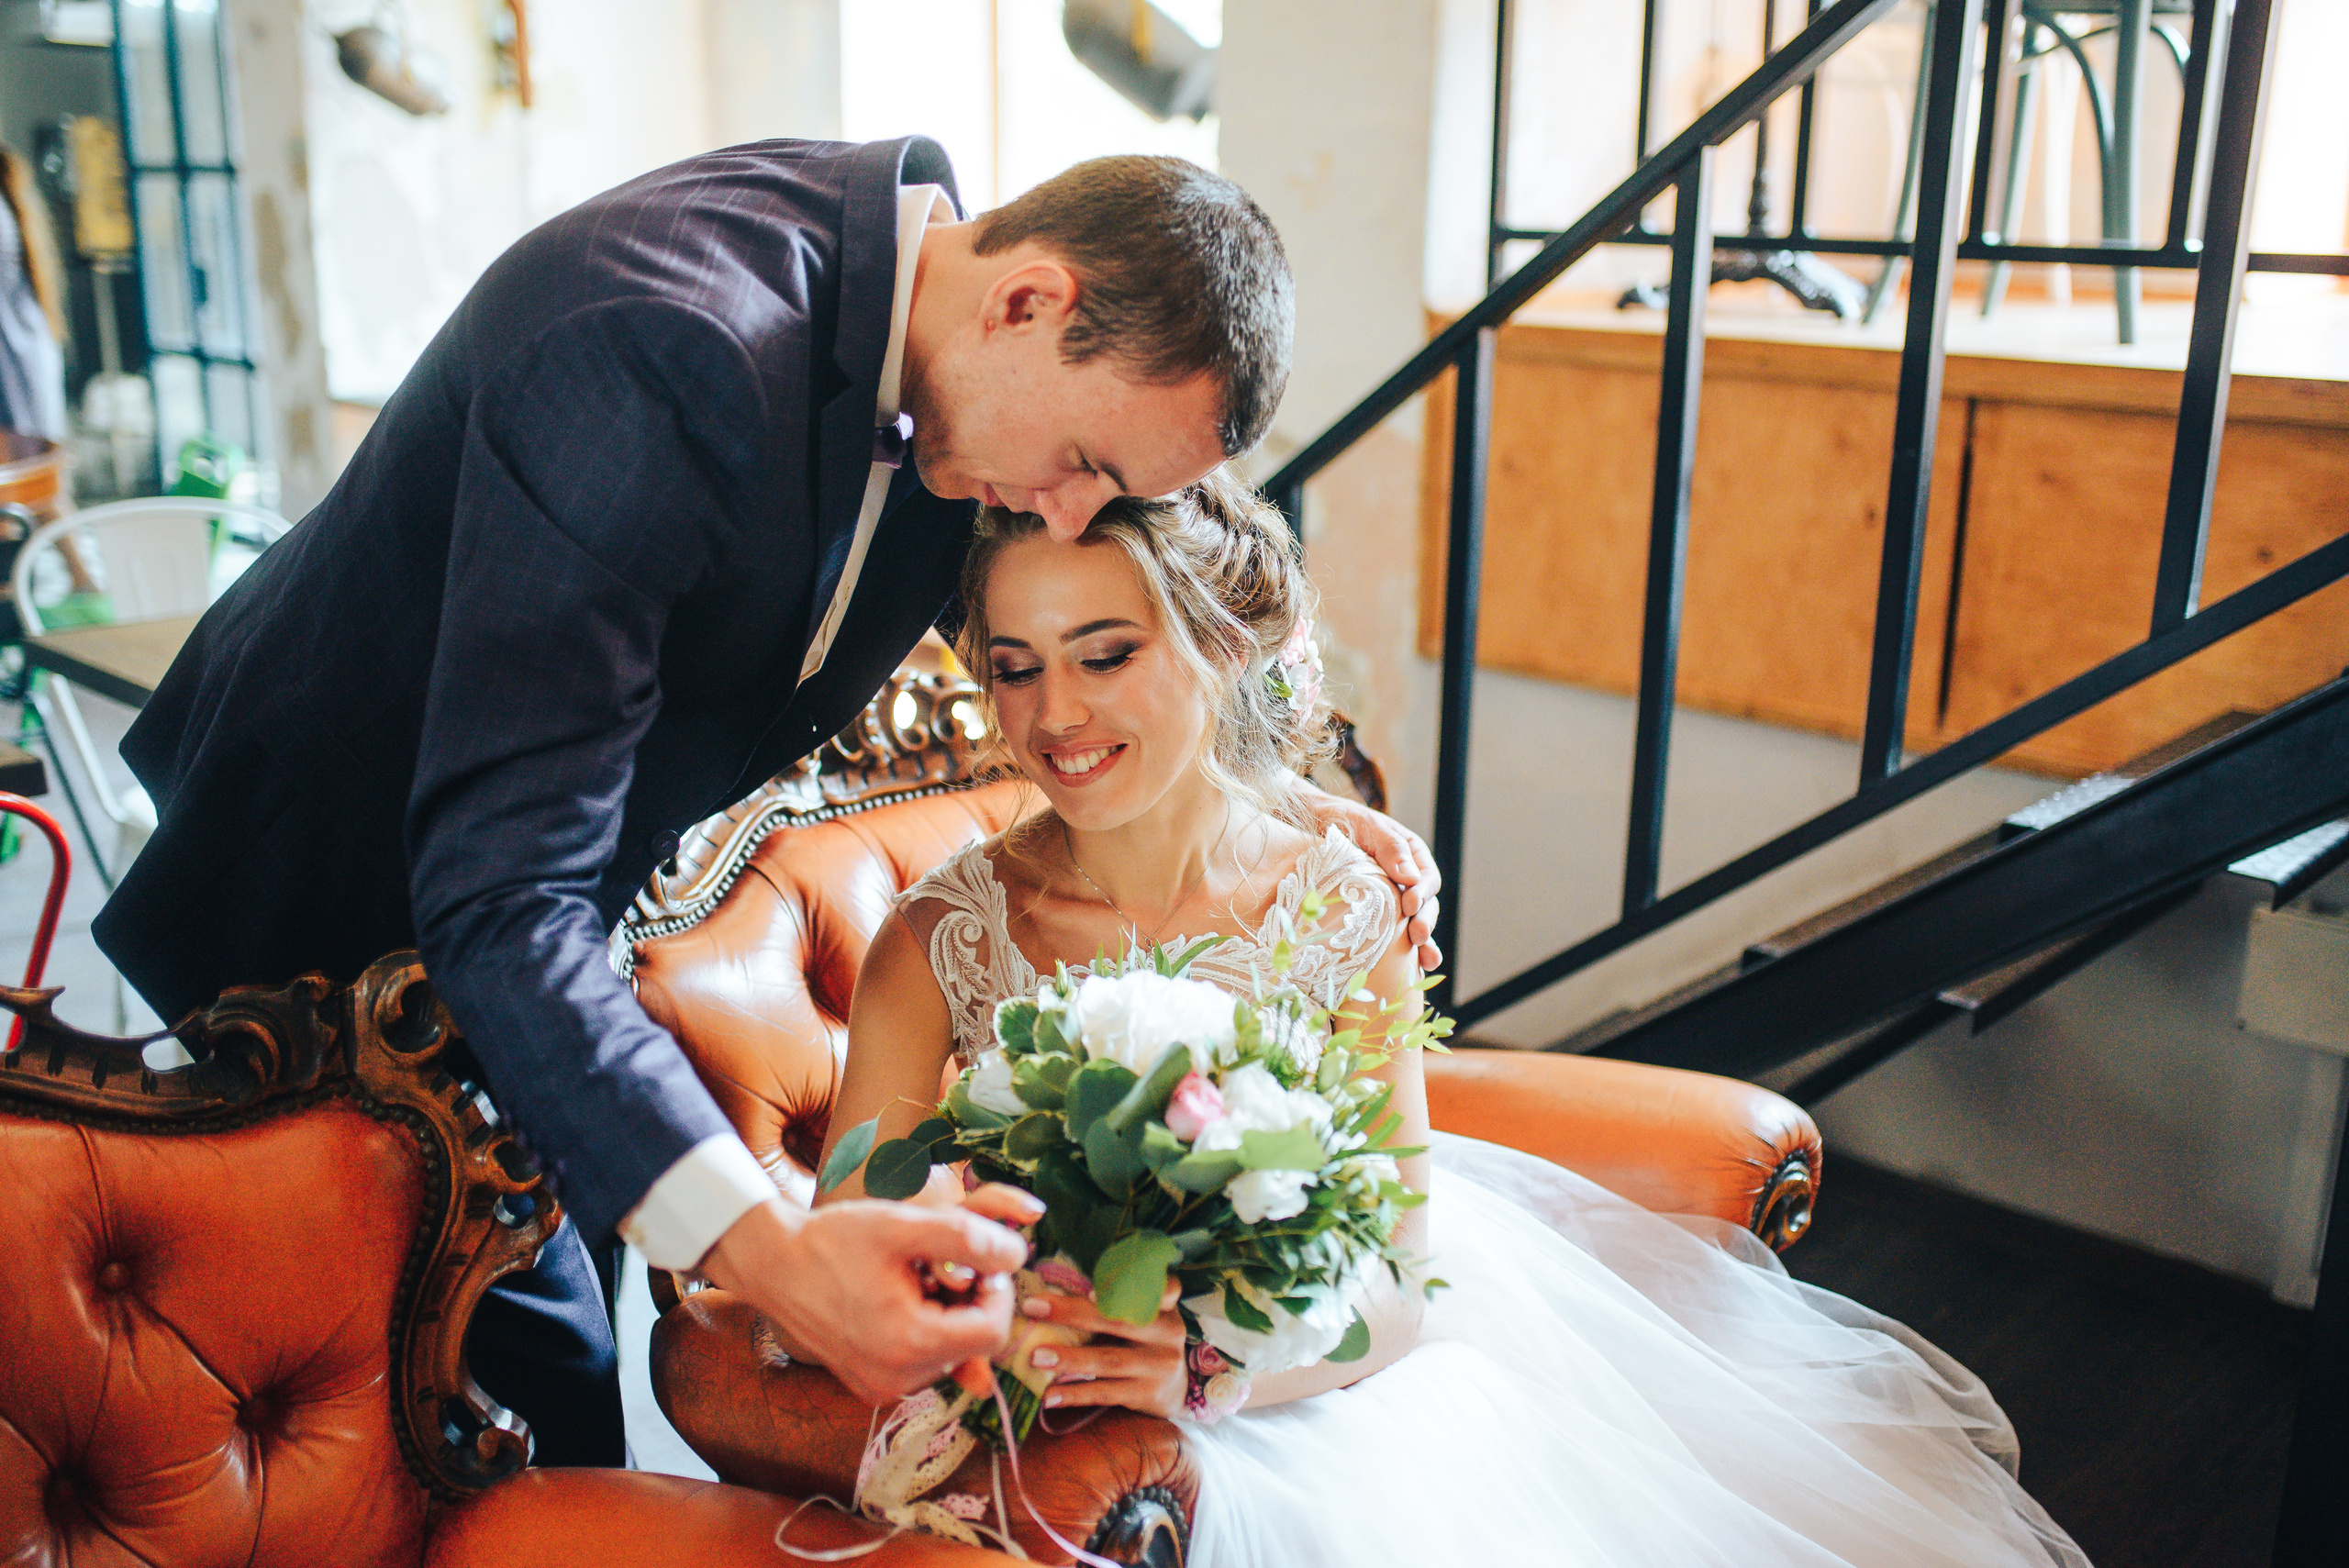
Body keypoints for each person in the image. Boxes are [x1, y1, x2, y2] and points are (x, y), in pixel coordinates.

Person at [91, 140, 1441, 1466]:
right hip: (320, 909)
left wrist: (1291, 820)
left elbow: (1143, 633)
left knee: (556, 1388)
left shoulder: (951, 362)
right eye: (1085, 459)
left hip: (541, 929)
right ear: (1029, 298)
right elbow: (501, 895)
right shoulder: (655, 348)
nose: (1069, 510)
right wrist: (780, 1257)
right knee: (484, 1397)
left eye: (1110, 488)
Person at [821, 473, 2093, 1567]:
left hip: (1318, 1390)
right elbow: (841, 1243)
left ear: (1219, 646)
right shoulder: (937, 940)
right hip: (1047, 1401)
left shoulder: (1336, 905)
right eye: (1014, 666)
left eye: (1106, 654)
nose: (1054, 717)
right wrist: (1004, 1307)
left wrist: (1205, 1369)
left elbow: (1393, 1286)